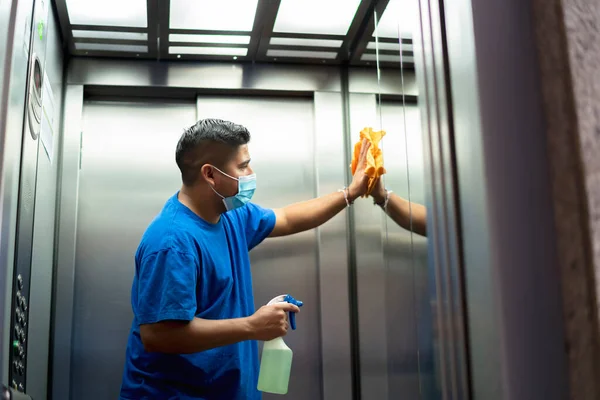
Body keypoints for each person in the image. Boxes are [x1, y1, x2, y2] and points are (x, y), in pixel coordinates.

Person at [119, 118, 372, 400]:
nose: (251, 173)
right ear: (210, 174)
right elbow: (159, 335)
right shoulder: (172, 242)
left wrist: (351, 193)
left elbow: (287, 218)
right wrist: (252, 325)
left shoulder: (231, 215)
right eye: (242, 166)